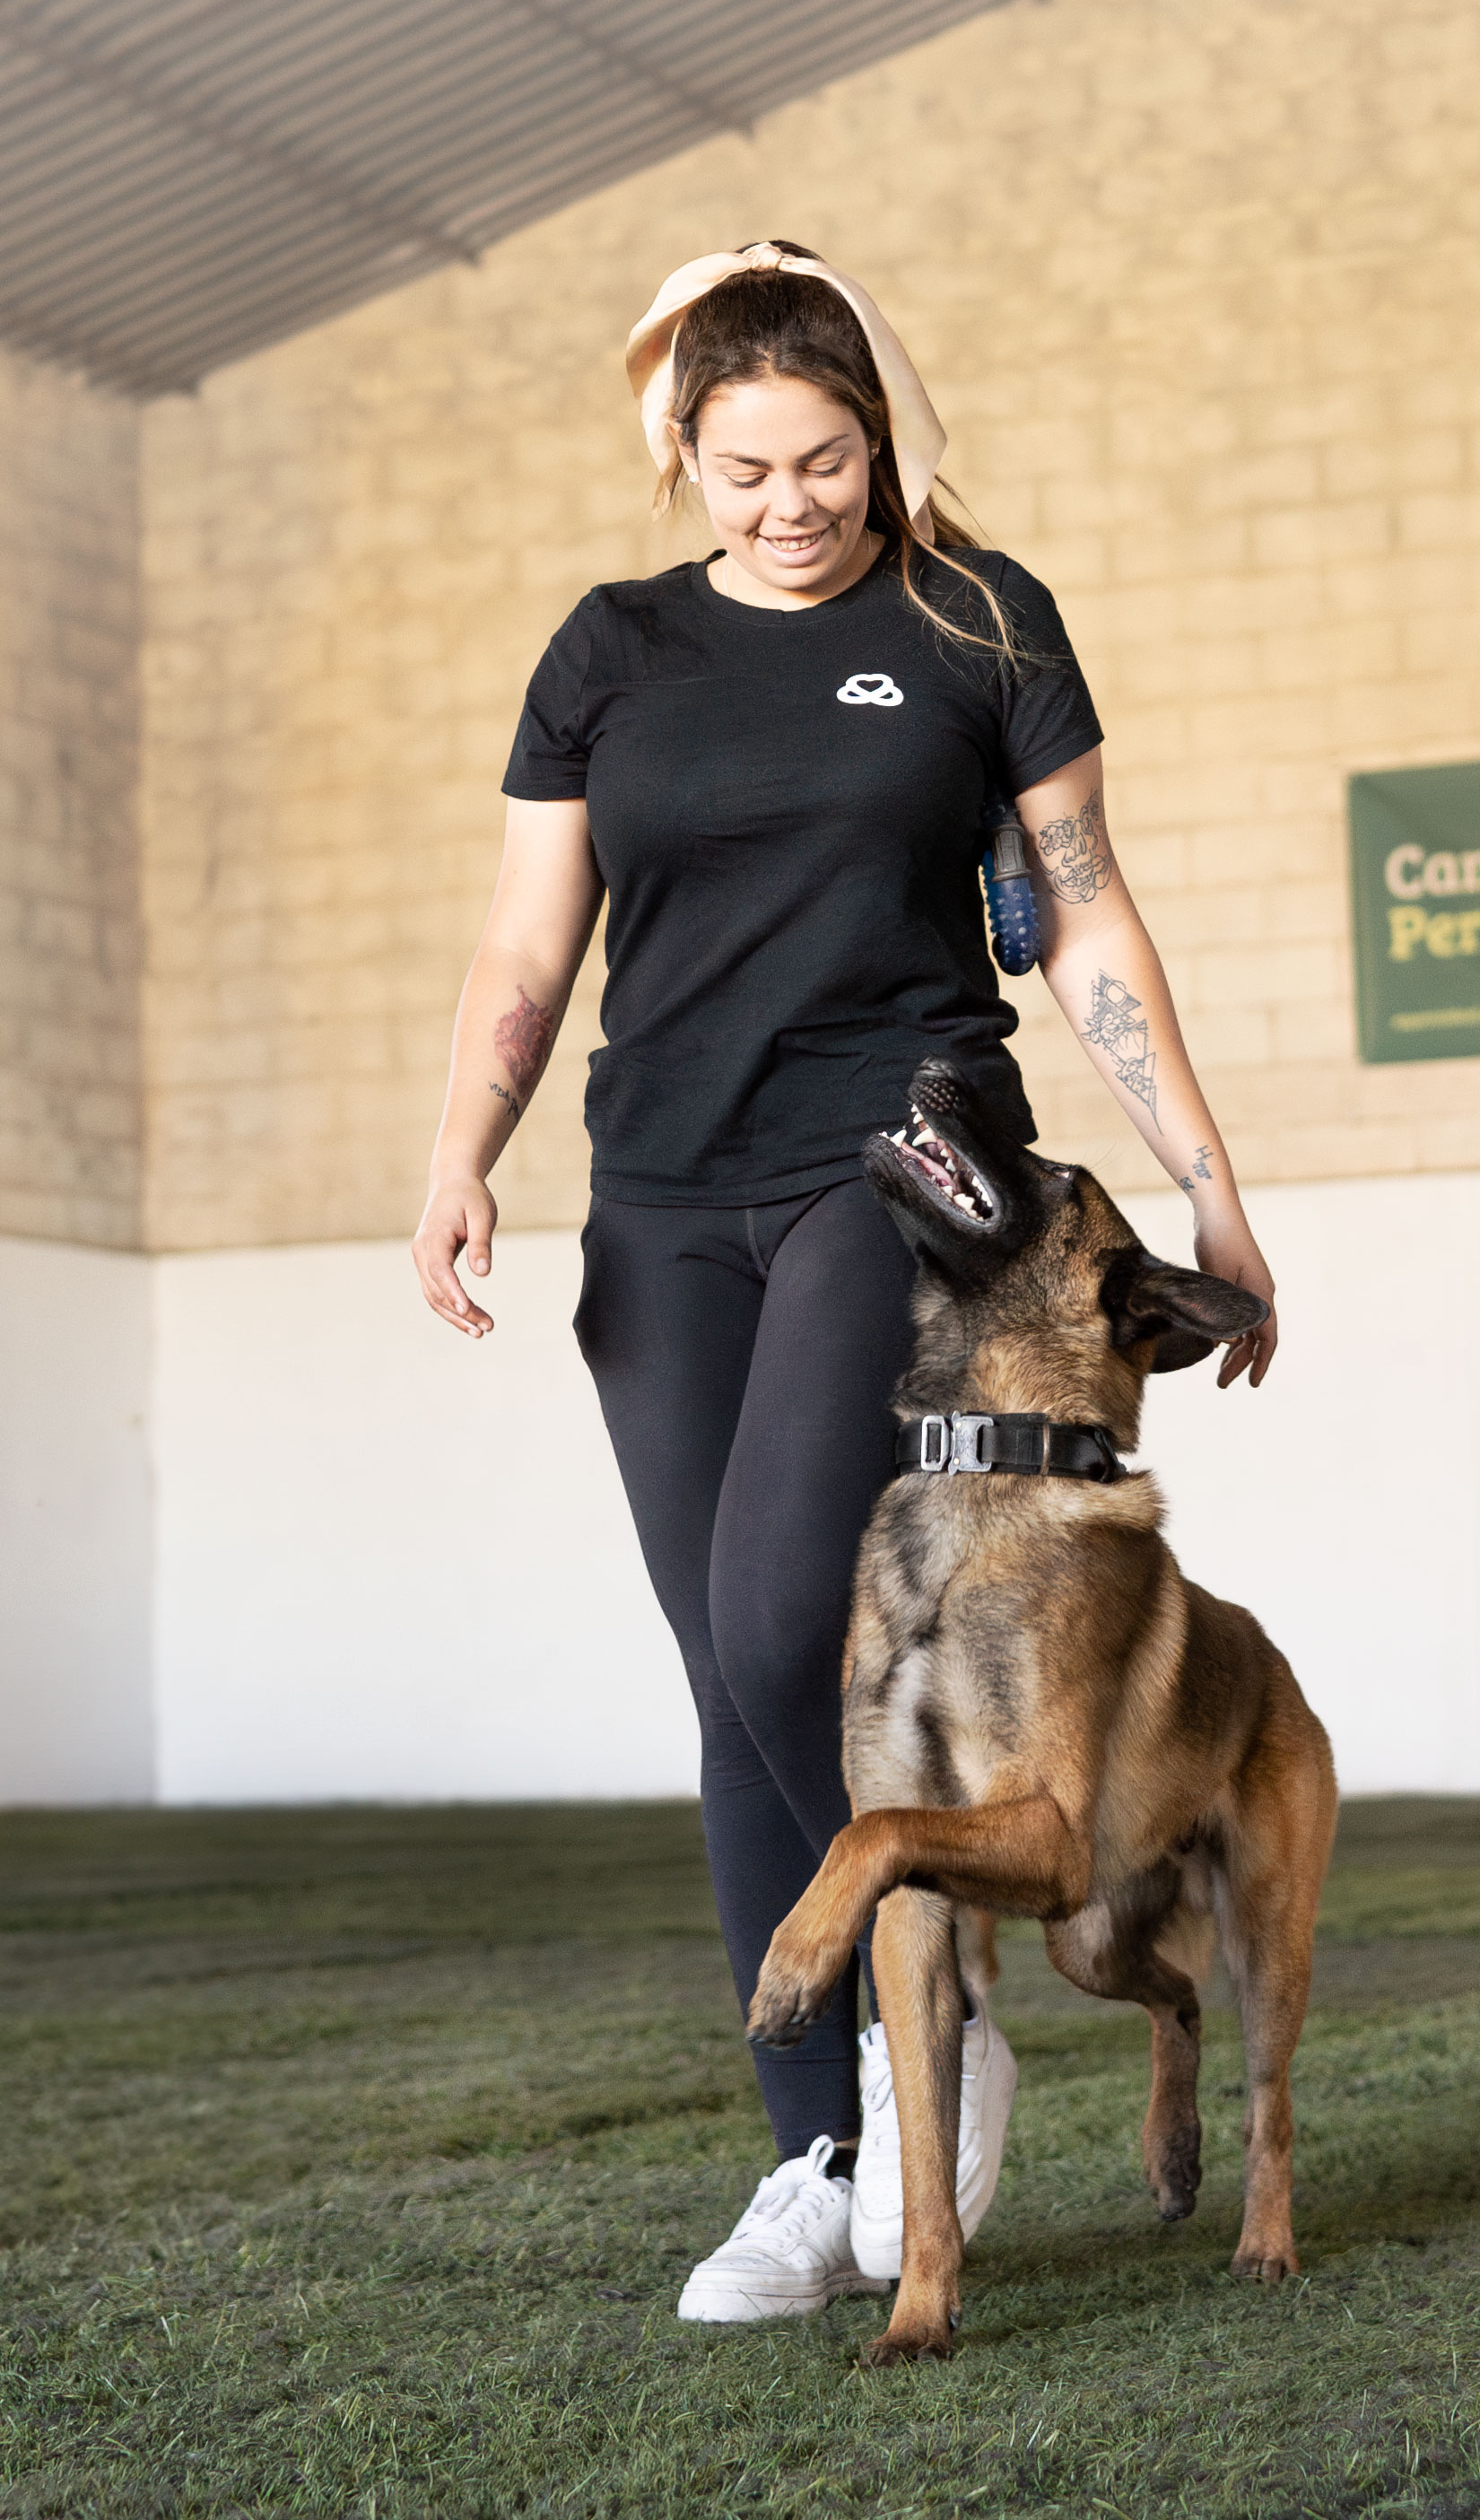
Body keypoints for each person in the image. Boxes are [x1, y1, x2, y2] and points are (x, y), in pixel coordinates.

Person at [412, 241, 1279, 2324]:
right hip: (660, 1186)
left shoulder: (976, 621)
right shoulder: (609, 649)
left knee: (774, 1610)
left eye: (825, 461)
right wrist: (458, 1150)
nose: (789, 502)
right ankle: (825, 2139)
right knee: (725, 1678)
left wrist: (1206, 1179)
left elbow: (1082, 914)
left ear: (881, 444)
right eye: (745, 469)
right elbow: (528, 939)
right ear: (679, 457)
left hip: (895, 1155)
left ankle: (925, 2012)